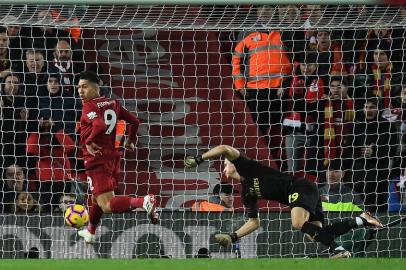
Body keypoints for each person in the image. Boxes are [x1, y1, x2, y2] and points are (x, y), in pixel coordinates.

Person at [184, 145, 383, 258]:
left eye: (225, 162)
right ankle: (361, 220)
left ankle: (338, 250)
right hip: (305, 193)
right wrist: (233, 236)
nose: (224, 165)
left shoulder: (247, 166)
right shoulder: (247, 193)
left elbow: (224, 148)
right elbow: (255, 222)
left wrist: (199, 159)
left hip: (299, 187)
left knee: (297, 223)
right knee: (316, 234)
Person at [76, 71, 158, 244]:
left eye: (84, 87)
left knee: (106, 204)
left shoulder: (89, 106)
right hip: (113, 159)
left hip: (96, 160)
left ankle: (143, 201)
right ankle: (90, 231)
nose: (80, 91)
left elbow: (98, 124)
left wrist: (89, 142)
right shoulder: (113, 103)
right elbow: (135, 121)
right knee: (96, 198)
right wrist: (130, 140)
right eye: (78, 87)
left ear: (96, 87)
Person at [343, 98, 398, 212]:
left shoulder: (388, 126)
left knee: (377, 210)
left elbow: (392, 149)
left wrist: (375, 152)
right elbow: (348, 149)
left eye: (372, 107)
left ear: (379, 109)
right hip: (357, 175)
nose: (368, 110)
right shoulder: (356, 126)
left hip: (379, 175)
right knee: (355, 210)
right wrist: (360, 152)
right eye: (366, 107)